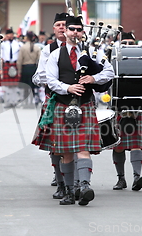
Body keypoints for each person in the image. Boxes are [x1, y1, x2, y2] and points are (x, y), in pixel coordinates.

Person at [39, 16, 114, 206]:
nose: (75, 32)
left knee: (83, 148)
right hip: (63, 106)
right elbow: (50, 80)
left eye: (78, 30)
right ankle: (70, 192)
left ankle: (85, 186)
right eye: (71, 29)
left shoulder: (93, 53)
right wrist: (68, 88)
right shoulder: (56, 54)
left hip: (85, 104)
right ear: (65, 32)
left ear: (83, 32)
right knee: (66, 152)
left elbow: (109, 72)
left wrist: (93, 79)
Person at [31, 12, 69, 197]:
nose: (62, 27)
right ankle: (60, 181)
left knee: (76, 146)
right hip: (54, 100)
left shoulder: (82, 48)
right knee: (55, 144)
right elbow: (38, 76)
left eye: (65, 24)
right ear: (54, 29)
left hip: (77, 101)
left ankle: (76, 182)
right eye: (58, 25)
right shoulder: (48, 49)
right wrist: (54, 76)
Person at [111, 31, 142, 192]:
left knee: (136, 144)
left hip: (137, 107)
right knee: (118, 145)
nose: (127, 45)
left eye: (130, 43)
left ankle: (137, 177)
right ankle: (121, 179)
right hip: (119, 107)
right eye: (124, 42)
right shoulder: (112, 60)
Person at [0, 28, 22, 108]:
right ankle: (8, 101)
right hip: (7, 64)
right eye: (8, 34)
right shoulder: (3, 44)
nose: (10, 36)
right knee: (7, 85)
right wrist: (0, 69)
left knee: (15, 85)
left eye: (11, 34)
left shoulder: (18, 44)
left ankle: (14, 101)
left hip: (15, 64)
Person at [17, 31, 40, 108]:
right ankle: (33, 101)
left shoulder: (23, 47)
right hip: (33, 67)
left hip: (25, 68)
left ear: (26, 37)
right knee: (33, 86)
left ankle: (25, 101)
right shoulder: (37, 47)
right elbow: (39, 60)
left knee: (25, 86)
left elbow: (19, 60)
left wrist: (19, 71)